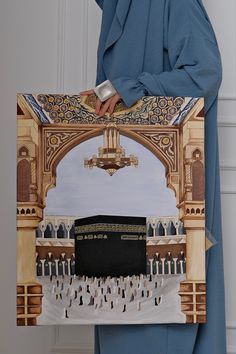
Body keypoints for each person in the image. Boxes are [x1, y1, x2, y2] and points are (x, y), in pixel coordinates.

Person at [80, 0, 226, 353]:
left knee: (155, 318)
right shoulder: (115, 7)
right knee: (117, 303)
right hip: (122, 198)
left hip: (161, 196)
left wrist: (135, 87)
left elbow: (204, 74)